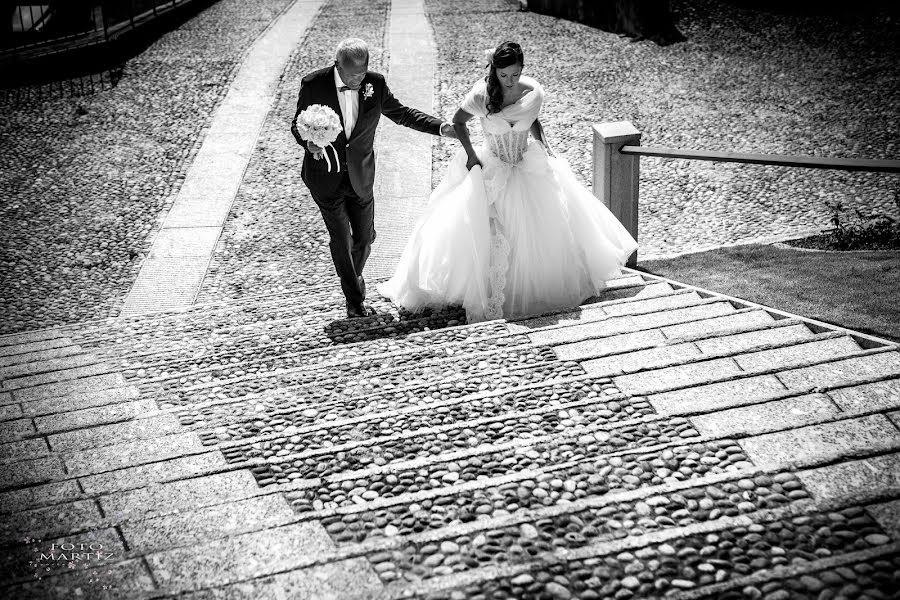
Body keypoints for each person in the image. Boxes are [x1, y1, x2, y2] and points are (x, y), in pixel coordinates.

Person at [378, 41, 638, 323]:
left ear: (521, 69)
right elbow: (458, 122)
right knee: (489, 228)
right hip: (494, 165)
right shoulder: (481, 95)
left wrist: (545, 145)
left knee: (543, 228)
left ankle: (534, 287)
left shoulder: (533, 92)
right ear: (495, 71)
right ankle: (489, 289)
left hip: (527, 164)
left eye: (515, 74)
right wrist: (470, 155)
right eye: (504, 75)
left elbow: (532, 118)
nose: (510, 81)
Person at [291, 38, 456, 319]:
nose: (359, 79)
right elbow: (298, 123)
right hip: (325, 177)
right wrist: (309, 143)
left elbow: (403, 114)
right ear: (338, 65)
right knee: (341, 239)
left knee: (365, 238)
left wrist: (440, 127)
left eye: (363, 72)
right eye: (353, 74)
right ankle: (354, 300)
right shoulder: (313, 84)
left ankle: (352, 281)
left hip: (361, 177)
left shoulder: (374, 84)